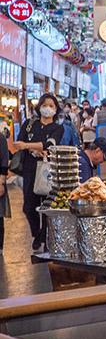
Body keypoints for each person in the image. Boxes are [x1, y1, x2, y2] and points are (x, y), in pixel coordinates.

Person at [10, 94, 65, 251]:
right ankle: (37, 233)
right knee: (28, 206)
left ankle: (46, 239)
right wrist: (34, 148)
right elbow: (19, 143)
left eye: (51, 106)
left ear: (56, 110)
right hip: (30, 170)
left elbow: (49, 145)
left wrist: (29, 146)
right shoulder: (29, 124)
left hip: (48, 171)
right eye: (45, 105)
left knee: (47, 207)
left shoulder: (58, 128)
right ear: (39, 106)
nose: (47, 108)